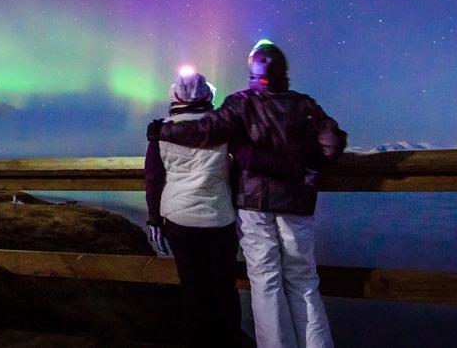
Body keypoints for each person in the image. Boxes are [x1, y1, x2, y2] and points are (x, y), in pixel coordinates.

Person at [148, 41, 347, 348]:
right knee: (304, 281)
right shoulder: (305, 105)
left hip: (253, 204)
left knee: (265, 282)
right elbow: (332, 145)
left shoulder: (241, 103)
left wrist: (162, 132)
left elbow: (206, 132)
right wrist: (307, 168)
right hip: (295, 203)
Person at [144, 67, 241, 348]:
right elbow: (235, 172)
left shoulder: (160, 131)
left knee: (193, 290)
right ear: (207, 95)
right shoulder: (222, 128)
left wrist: (154, 220)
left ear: (174, 95)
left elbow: (154, 178)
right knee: (224, 289)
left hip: (180, 218)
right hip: (220, 217)